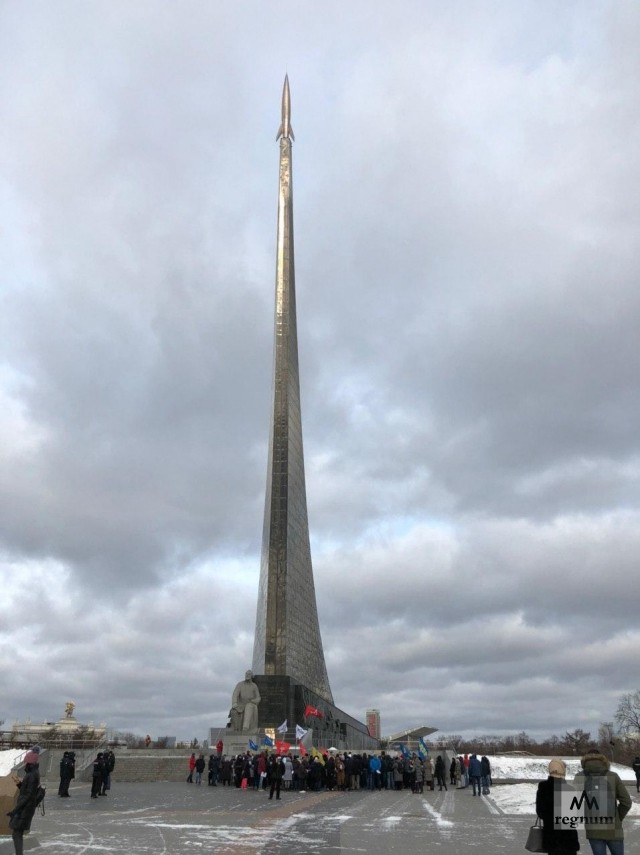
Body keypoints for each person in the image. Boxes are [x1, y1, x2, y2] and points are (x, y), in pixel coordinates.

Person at [574, 748, 631, 855]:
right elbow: (626, 802)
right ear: (603, 760)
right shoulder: (613, 776)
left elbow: (575, 805)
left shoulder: (579, 778)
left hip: (593, 829)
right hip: (614, 828)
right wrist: (617, 818)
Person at [536, 758, 580, 855]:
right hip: (568, 838)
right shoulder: (570, 789)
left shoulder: (542, 787)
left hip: (551, 836)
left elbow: (540, 812)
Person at [8, 750, 40, 855]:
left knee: (17, 833)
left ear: (30, 762)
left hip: (25, 808)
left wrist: (15, 810)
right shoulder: (31, 773)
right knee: (17, 833)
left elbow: (29, 795)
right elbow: (28, 791)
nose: (24, 764)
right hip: (25, 808)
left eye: (26, 762)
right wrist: (19, 784)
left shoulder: (32, 775)